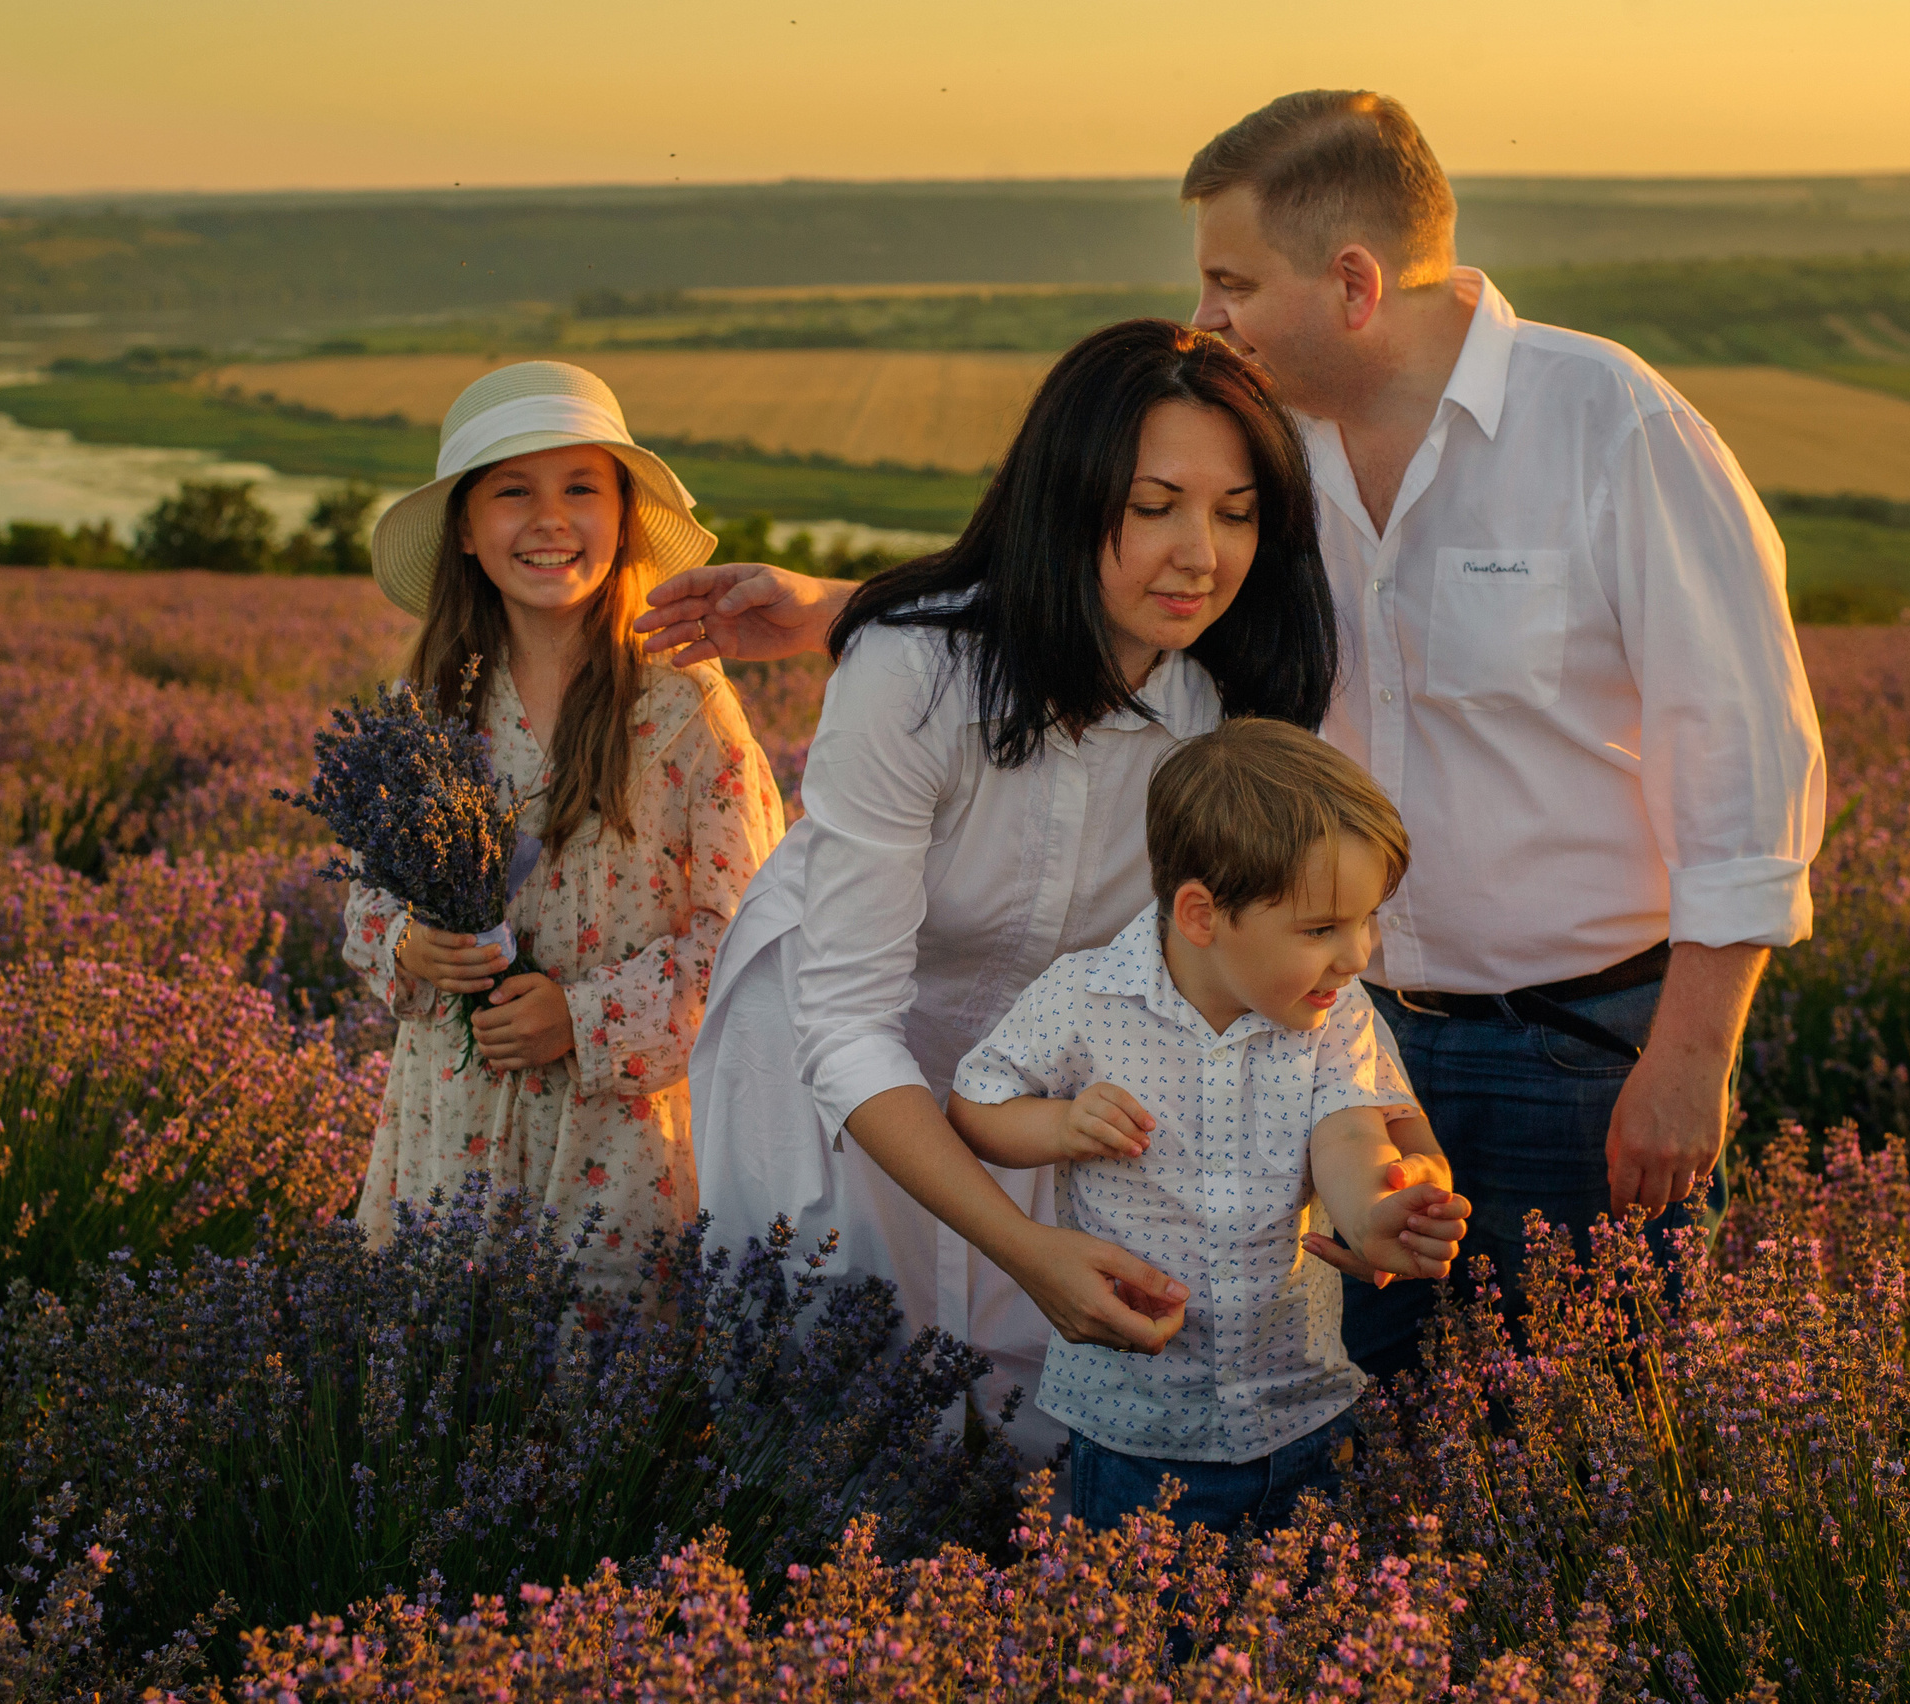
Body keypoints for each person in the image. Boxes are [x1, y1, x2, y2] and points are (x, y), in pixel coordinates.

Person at [637, 94, 1826, 1379]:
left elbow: (1743, 757)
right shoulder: (1270, 437)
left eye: (1232, 282)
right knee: (1356, 1404)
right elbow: (1085, 563)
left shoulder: (1609, 425)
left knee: (1599, 1402)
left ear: (1353, 284)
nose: (1202, 315)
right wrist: (850, 610)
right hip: (1327, 1016)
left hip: (1575, 1042)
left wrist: (1690, 1055)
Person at [685, 318, 1374, 1455]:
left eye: (1236, 513)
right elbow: (847, 1026)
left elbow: (1260, 980)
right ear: (1065, 497)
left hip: (1039, 1086)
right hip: (827, 1057)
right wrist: (1023, 1247)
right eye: (1153, 507)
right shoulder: (914, 673)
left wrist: (1364, 1164)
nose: (1200, 555)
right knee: (831, 1405)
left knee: (1033, 1427)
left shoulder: (1220, 715)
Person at [948, 718, 1469, 1533]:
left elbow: (1350, 1134)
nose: (1357, 954)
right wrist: (1061, 1124)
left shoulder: (1336, 1016)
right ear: (1201, 914)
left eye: (1368, 920)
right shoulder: (1084, 999)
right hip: (1135, 1427)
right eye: (1322, 929)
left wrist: (1379, 1214)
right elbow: (977, 1105)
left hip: (1298, 1413)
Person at [344, 360, 783, 1302]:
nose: (550, 520)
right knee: (442, 1371)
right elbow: (366, 897)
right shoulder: (427, 709)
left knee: (602, 1370)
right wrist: (408, 945)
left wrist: (580, 1019)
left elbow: (751, 940)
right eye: (514, 492)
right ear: (467, 531)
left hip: (618, 1150)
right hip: (448, 1132)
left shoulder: (685, 710)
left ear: (622, 518)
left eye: (582, 489)